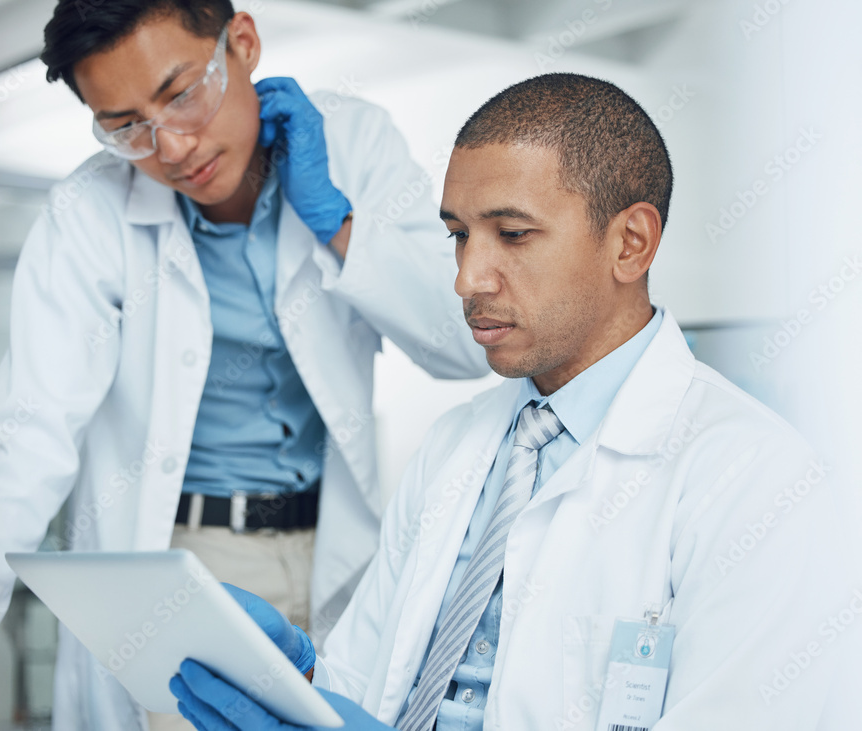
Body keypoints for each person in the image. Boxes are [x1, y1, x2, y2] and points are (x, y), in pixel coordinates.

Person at [169, 73, 853, 730]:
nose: (466, 278)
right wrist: (301, 687)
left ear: (631, 242)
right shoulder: (454, 446)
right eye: (459, 235)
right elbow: (363, 686)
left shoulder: (757, 481)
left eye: (514, 234)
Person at [0, 1, 488, 728]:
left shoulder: (355, 144)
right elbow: (25, 444)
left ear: (242, 42)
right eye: (126, 126)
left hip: (340, 554)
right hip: (189, 567)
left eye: (181, 94)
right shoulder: (89, 213)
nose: (169, 147)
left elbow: (462, 343)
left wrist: (339, 224)